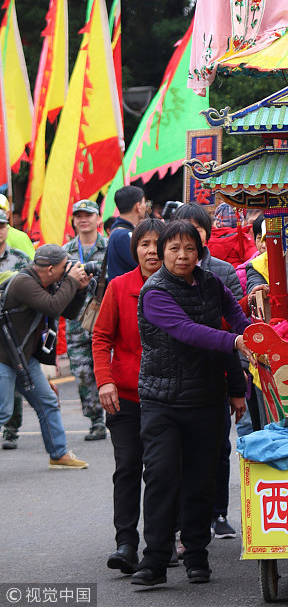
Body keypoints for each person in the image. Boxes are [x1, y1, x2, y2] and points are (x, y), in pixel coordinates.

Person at [130, 220, 250, 587]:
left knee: (201, 482)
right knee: (162, 478)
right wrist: (236, 343)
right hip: (161, 401)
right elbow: (188, 331)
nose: (182, 256)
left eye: (190, 249)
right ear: (163, 252)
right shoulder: (154, 292)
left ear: (200, 252)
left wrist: (238, 382)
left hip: (208, 397)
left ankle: (197, 555)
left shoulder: (212, 283)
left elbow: (235, 322)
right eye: (174, 249)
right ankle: (154, 560)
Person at [93, 218, 165, 575]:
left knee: (161, 470)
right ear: (134, 249)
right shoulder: (119, 287)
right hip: (124, 397)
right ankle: (126, 543)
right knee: (127, 468)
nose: (151, 251)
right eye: (144, 244)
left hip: (167, 398)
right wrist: (105, 381)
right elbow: (101, 338)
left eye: (157, 244)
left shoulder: (179, 287)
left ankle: (159, 543)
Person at [173, 202, 247, 540]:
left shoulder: (222, 272)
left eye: (196, 232)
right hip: (173, 377)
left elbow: (237, 327)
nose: (187, 243)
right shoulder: (164, 276)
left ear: (206, 235)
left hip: (216, 368)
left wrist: (239, 378)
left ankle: (218, 513)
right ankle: (181, 521)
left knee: (219, 448)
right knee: (176, 456)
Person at [0, 244, 90, 469]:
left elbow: (66, 312)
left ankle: (58, 454)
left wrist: (78, 289)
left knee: (47, 402)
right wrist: (70, 280)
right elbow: (53, 306)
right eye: (64, 267)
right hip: (3, 356)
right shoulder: (24, 283)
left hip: (22, 355)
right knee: (3, 410)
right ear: (50, 269)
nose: (68, 269)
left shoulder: (49, 282)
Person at [62, 198, 108, 441]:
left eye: (88, 215)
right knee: (82, 374)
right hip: (77, 324)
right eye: (79, 216)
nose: (83, 219)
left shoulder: (110, 247)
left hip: (107, 322)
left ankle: (117, 416)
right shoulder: (65, 252)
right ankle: (95, 421)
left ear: (98, 219)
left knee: (110, 371)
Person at [0, 209, 32, 451]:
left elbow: (35, 287)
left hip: (13, 332)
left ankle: (12, 428)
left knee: (13, 381)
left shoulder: (21, 257)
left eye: (2, 226)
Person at [107, 185, 148, 280]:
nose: (145, 206)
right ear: (138, 206)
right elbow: (143, 265)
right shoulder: (124, 236)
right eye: (144, 202)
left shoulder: (118, 232)